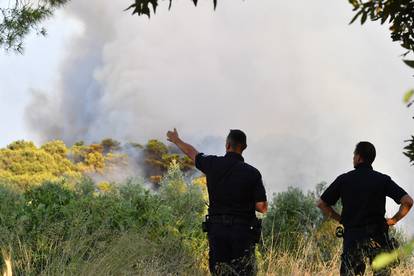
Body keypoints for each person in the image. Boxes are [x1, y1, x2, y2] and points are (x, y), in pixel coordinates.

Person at [166, 128, 268, 275]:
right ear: (244, 147)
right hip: (242, 232)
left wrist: (176, 140)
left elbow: (192, 153)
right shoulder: (253, 173)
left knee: (220, 271)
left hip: (217, 231)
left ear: (227, 145)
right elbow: (262, 207)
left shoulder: (212, 164)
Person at [317, 141, 413, 276]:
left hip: (352, 237)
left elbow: (321, 204)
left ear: (359, 157)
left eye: (354, 155)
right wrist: (393, 220)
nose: (353, 158)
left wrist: (341, 219)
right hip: (378, 237)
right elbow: (408, 201)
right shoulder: (382, 180)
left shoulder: (344, 179)